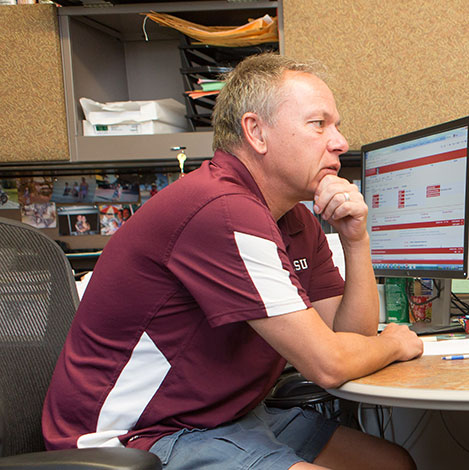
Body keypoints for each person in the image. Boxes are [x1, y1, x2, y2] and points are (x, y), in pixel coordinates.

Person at [43, 54, 422, 470]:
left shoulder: (294, 218)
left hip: (224, 418)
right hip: (137, 437)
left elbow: (352, 337)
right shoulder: (221, 209)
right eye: (319, 124)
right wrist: (394, 342)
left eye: (336, 125)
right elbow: (329, 364)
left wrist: (356, 239)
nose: (340, 141)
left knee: (390, 463)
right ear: (256, 132)